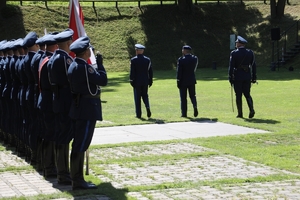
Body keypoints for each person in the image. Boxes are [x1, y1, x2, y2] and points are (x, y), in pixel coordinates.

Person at [67, 36, 107, 190]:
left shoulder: (74, 65)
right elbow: (102, 80)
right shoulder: (84, 67)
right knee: (81, 143)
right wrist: (101, 65)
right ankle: (77, 180)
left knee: (79, 143)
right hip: (86, 109)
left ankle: (77, 178)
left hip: (79, 107)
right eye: (89, 50)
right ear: (85, 52)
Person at [47, 28, 74, 185]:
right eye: (70, 41)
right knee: (64, 138)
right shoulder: (65, 59)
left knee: (60, 137)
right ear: (67, 43)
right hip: (65, 101)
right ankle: (63, 173)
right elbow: (70, 81)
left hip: (57, 99)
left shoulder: (53, 57)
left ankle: (61, 170)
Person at [228, 35, 257, 118]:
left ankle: (240, 114)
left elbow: (231, 66)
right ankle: (251, 109)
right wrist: (254, 76)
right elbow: (253, 65)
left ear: (239, 44)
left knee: (238, 95)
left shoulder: (234, 53)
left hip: (237, 77)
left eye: (237, 42)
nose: (236, 43)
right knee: (247, 94)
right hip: (247, 76)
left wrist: (230, 77)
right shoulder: (250, 52)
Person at [129, 44, 153, 118]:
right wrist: (150, 80)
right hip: (145, 81)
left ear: (137, 51)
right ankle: (147, 106)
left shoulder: (133, 60)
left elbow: (132, 72)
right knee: (145, 95)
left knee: (137, 98)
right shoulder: (147, 60)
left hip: (137, 81)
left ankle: (138, 114)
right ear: (142, 51)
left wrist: (131, 80)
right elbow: (150, 71)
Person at [176, 45, 198, 118]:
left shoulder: (181, 60)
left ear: (185, 51)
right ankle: (194, 106)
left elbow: (179, 72)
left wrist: (178, 80)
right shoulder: (194, 58)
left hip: (183, 81)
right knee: (192, 95)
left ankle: (184, 113)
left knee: (183, 98)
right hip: (191, 80)